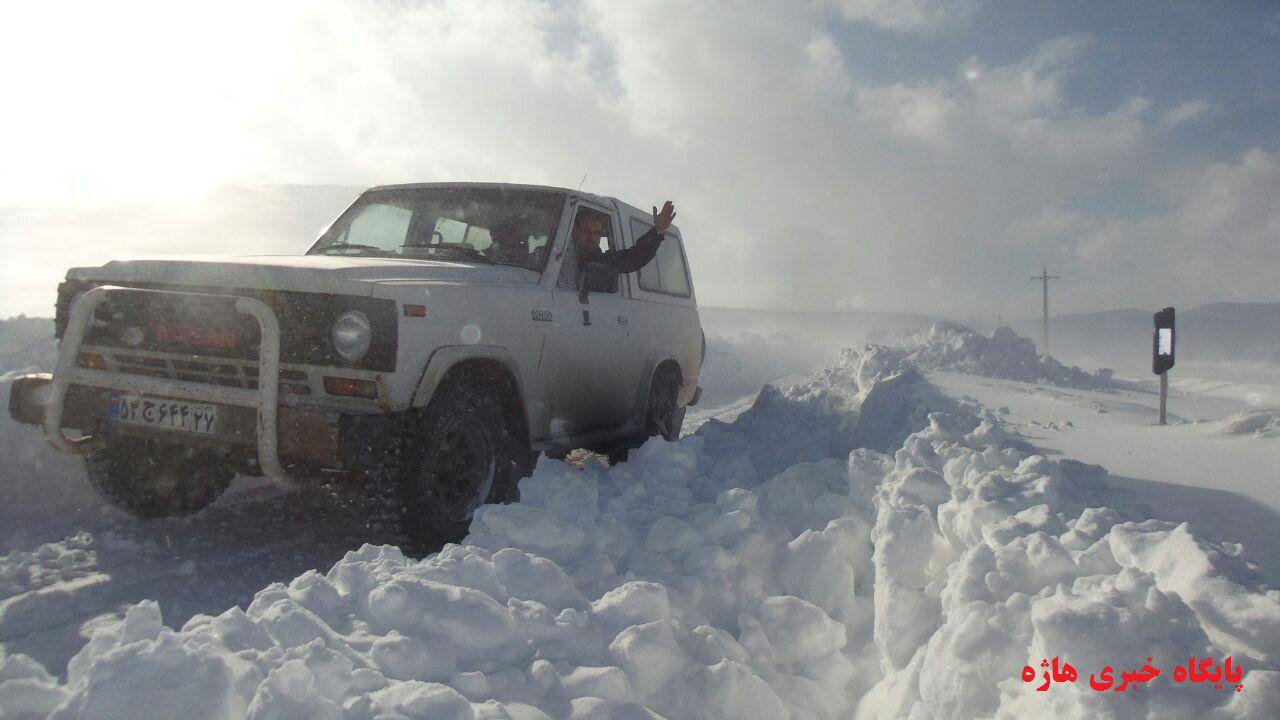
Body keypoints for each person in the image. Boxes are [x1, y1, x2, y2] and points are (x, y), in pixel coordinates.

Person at [573, 200, 676, 276]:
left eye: (597, 233)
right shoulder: (563, 253)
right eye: (587, 231)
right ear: (575, 231)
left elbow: (634, 258)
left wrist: (658, 231)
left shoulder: (599, 261)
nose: (592, 237)